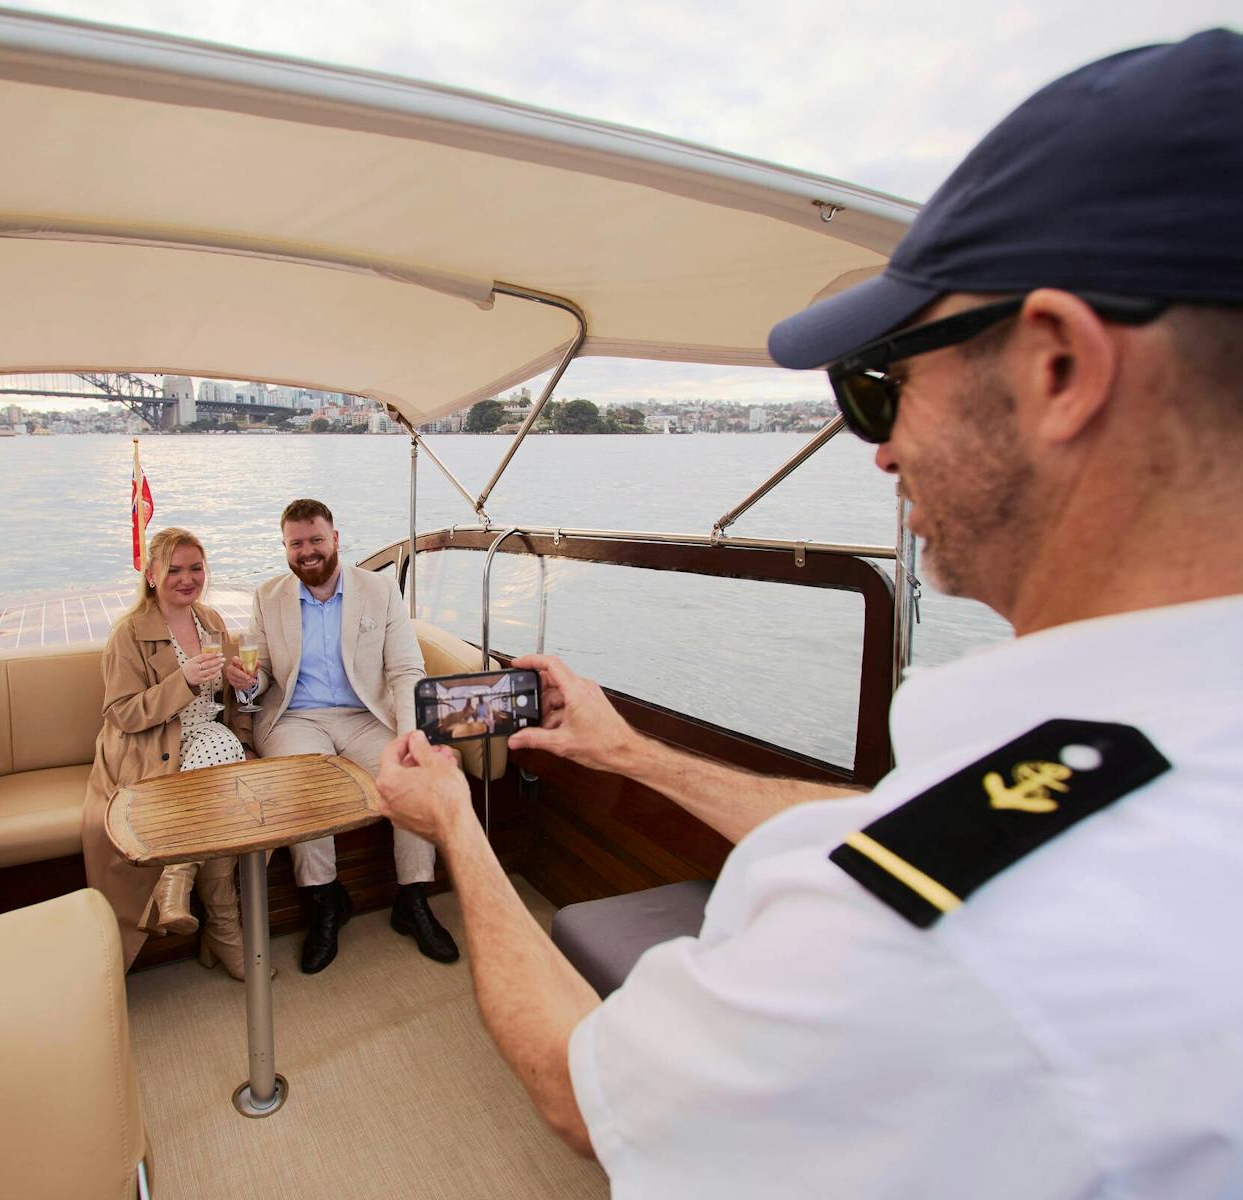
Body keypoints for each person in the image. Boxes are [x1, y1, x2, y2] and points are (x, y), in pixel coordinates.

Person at [373, 29, 1243, 1198]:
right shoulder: (1168, 762)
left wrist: (455, 825)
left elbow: (583, 1089)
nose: (877, 453)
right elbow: (910, 830)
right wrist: (636, 755)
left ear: (1057, 371)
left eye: (881, 386)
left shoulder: (935, 950)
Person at [223, 498, 458, 973]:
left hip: (366, 715)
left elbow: (407, 668)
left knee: (413, 779)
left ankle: (412, 900)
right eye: (296, 544)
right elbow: (265, 670)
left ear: (335, 539)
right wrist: (251, 682)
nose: (307, 551)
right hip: (296, 719)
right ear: (285, 548)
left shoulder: (379, 588)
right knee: (305, 788)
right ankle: (327, 903)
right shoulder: (268, 597)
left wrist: (413, 735)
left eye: (315, 540)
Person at [83, 526, 252, 976]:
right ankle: (224, 930)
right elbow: (121, 713)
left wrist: (243, 685)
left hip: (208, 740)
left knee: (221, 748)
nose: (187, 578)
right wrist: (184, 681)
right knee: (224, 760)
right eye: (174, 569)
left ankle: (180, 878)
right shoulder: (129, 634)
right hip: (152, 746)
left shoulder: (212, 622)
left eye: (196, 568)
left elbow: (224, 702)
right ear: (152, 574)